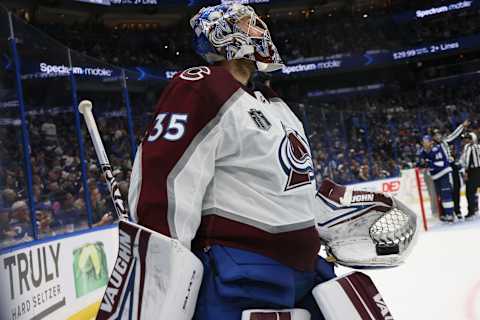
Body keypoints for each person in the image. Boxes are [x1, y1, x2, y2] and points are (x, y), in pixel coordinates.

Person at [127, 4, 416, 319]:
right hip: (243, 274)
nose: (260, 30)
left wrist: (324, 219)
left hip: (307, 273)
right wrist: (160, 270)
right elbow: (164, 177)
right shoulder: (202, 84)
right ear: (223, 35)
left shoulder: (275, 104)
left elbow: (286, 184)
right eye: (248, 24)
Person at [432, 120, 469, 218]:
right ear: (433, 138)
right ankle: (445, 213)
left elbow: (455, 134)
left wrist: (462, 126)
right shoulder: (432, 147)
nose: (438, 137)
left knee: (456, 189)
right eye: (436, 135)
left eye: (439, 134)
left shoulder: (445, 141)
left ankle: (457, 211)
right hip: (441, 170)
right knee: (444, 192)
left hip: (451, 167)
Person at [419, 135, 455, 222]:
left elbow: (441, 163)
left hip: (444, 174)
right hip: (435, 177)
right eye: (423, 142)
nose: (424, 143)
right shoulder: (423, 152)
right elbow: (422, 162)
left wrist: (429, 164)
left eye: (426, 141)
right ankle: (445, 214)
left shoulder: (438, 148)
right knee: (441, 196)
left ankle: (450, 214)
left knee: (446, 194)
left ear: (431, 142)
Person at [461, 132, 480, 219]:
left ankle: (472, 211)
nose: (465, 140)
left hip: (472, 172)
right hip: (476, 170)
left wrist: (466, 172)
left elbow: (467, 161)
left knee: (470, 192)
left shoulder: (468, 147)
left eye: (467, 139)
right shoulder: (478, 146)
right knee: (472, 192)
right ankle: (474, 208)